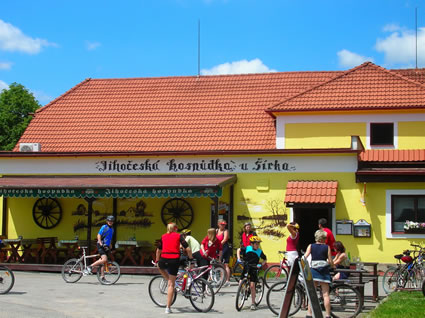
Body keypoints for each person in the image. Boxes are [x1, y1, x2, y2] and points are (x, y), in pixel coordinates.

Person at [155, 223, 193, 314]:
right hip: (174, 260)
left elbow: (158, 250)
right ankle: (168, 308)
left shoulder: (163, 236)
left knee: (159, 266)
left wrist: (157, 260)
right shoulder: (179, 236)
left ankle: (168, 279)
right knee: (171, 285)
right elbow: (187, 249)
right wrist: (191, 259)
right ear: (175, 228)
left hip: (163, 259)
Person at [304, 229, 335, 318]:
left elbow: (305, 257)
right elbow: (330, 260)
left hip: (313, 271)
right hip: (324, 272)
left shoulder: (311, 246)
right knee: (325, 294)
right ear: (323, 239)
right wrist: (333, 266)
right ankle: (328, 315)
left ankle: (309, 314)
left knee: (312, 293)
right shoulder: (327, 247)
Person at [240, 235, 267, 311]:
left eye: (258, 244)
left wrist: (261, 264)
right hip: (247, 266)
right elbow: (239, 250)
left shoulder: (259, 251)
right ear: (252, 244)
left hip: (254, 268)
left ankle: (253, 303)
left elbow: (265, 259)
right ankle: (242, 292)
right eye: (256, 244)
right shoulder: (247, 248)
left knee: (252, 286)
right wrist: (239, 258)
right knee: (240, 282)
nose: (258, 245)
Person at [86, 215, 115, 283]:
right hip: (101, 245)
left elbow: (109, 238)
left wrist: (110, 244)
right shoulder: (104, 227)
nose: (110, 222)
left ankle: (102, 277)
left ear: (113, 222)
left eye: (111, 221)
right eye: (109, 221)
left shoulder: (112, 229)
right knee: (105, 259)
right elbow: (99, 235)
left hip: (106, 246)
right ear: (107, 221)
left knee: (103, 262)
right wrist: (100, 242)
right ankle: (90, 266)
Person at [216, 220, 231, 287]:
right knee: (220, 264)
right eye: (222, 224)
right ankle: (221, 279)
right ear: (218, 224)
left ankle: (227, 280)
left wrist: (218, 245)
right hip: (218, 249)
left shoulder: (225, 231)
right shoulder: (216, 231)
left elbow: (225, 239)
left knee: (226, 265)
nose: (223, 225)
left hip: (224, 248)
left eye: (224, 224)